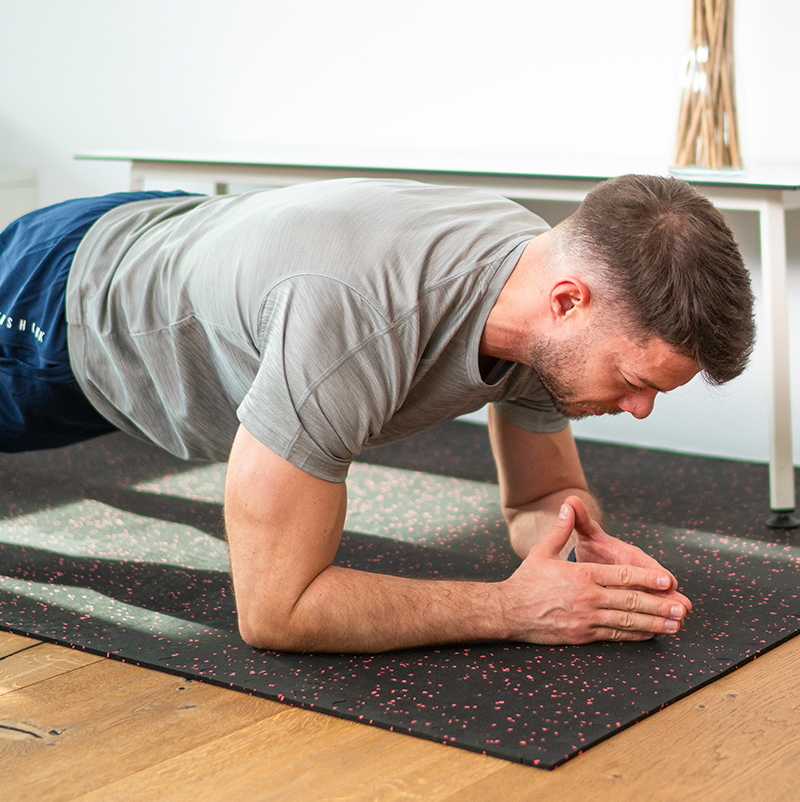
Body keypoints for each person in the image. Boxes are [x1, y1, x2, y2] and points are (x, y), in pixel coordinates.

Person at [0, 173, 754, 652]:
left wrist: (576, 547)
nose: (641, 410)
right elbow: (276, 611)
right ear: (567, 303)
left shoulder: (540, 294)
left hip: (187, 236)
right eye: (632, 379)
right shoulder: (352, 322)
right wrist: (511, 610)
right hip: (72, 303)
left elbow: (536, 497)